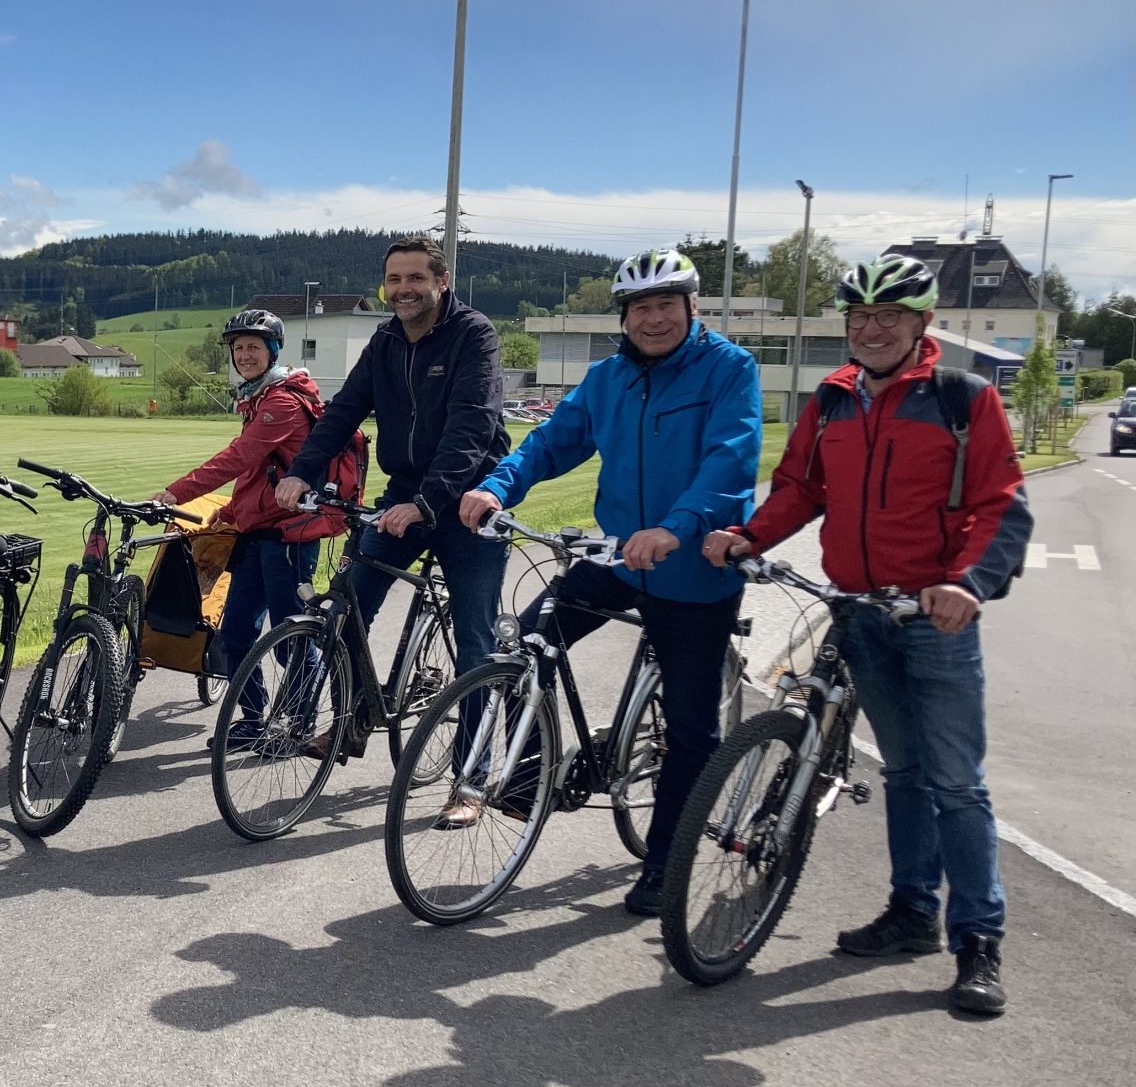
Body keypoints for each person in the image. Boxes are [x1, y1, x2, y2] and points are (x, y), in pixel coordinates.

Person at [705, 253, 1031, 1015]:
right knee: (905, 772)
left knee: (955, 781)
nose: (872, 329)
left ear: (922, 325)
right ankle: (912, 911)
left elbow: (1002, 504)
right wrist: (750, 535)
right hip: (857, 610)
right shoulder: (834, 399)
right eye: (860, 317)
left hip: (933, 618)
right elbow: (801, 488)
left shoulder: (961, 398)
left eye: (889, 316)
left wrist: (968, 584)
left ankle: (978, 941)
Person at [460, 247, 762, 914]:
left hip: (693, 567)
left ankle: (665, 863)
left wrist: (676, 527)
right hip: (620, 556)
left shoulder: (729, 369)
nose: (653, 319)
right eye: (640, 308)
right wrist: (497, 486)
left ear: (692, 307)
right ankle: (529, 778)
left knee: (690, 730)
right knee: (526, 644)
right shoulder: (608, 378)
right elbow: (551, 443)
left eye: (666, 305)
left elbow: (730, 461)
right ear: (624, 317)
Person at [275, 234, 509, 758]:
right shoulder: (385, 341)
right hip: (404, 493)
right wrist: (302, 472)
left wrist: (428, 502)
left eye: (416, 278)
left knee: (476, 644)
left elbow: (471, 428)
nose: (405, 288)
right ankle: (354, 721)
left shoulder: (473, 335)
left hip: (468, 500)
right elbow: (343, 411)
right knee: (346, 611)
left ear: (442, 282)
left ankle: (471, 774)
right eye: (395, 279)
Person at [151, 309, 329, 748]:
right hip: (257, 534)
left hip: (290, 535)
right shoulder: (260, 397)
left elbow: (239, 458)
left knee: (288, 639)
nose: (245, 355)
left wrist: (176, 492)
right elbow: (263, 473)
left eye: (254, 347)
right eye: (239, 348)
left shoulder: (282, 402)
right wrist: (233, 509)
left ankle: (301, 721)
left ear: (273, 351)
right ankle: (253, 721)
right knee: (235, 634)